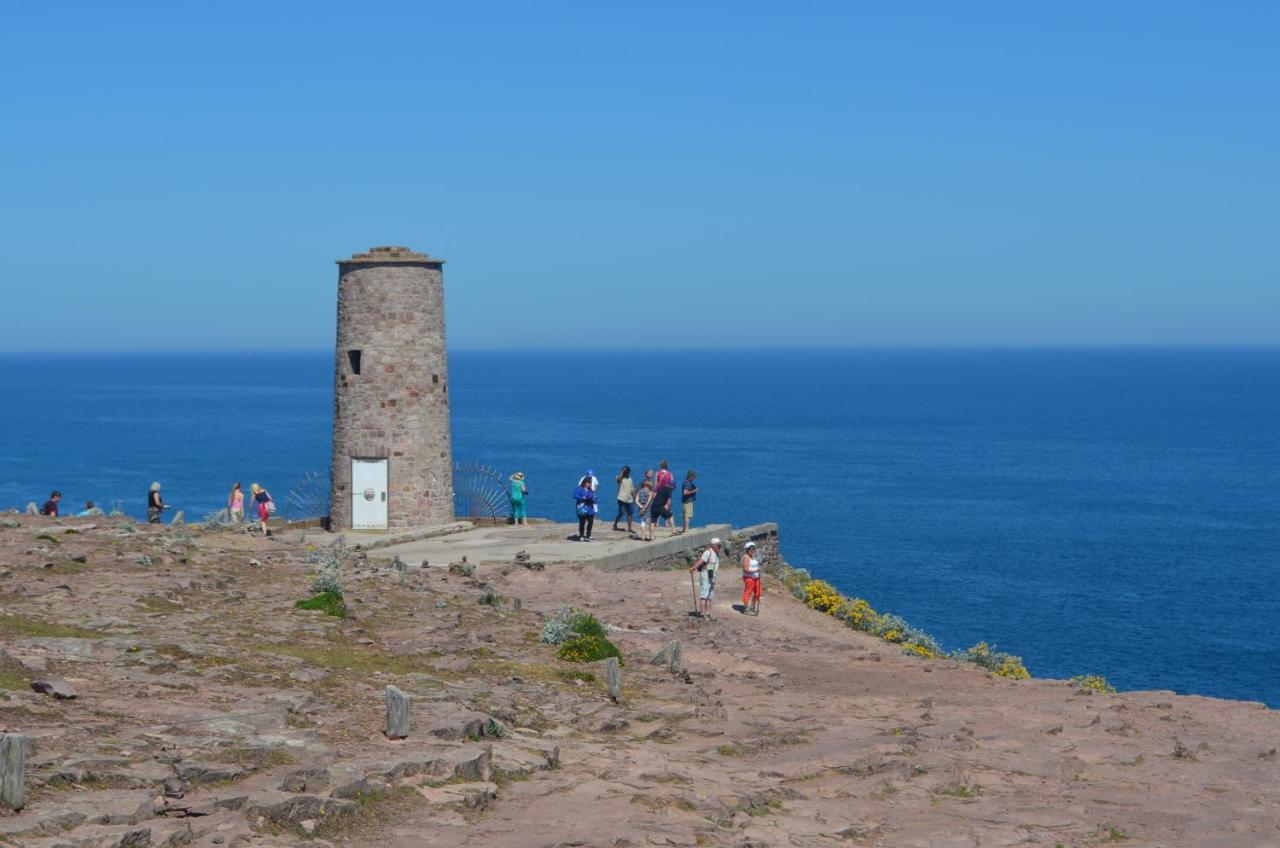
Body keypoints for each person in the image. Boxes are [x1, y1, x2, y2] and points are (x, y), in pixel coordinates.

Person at [689, 537, 722, 617]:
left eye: (720, 545)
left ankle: (707, 613)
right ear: (713, 545)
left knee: (710, 596)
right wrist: (694, 568)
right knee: (704, 595)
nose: (720, 547)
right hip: (705, 576)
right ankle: (703, 613)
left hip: (712, 577)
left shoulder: (716, 553)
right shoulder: (708, 552)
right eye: (718, 545)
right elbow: (701, 561)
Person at [652, 460, 677, 536]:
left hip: (658, 493)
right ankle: (671, 528)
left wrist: (654, 492)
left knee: (657, 509)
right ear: (667, 466)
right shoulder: (670, 474)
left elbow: (656, 484)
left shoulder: (657, 473)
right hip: (666, 493)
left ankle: (657, 524)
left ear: (660, 466)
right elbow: (672, 485)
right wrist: (670, 494)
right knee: (667, 510)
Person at [573, 475, 597, 541]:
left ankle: (588, 535)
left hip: (590, 508)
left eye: (590, 483)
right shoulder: (579, 488)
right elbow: (574, 496)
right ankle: (581, 536)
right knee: (582, 522)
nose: (590, 484)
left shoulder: (591, 490)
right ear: (585, 482)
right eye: (589, 483)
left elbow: (593, 496)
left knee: (591, 522)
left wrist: (594, 500)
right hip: (582, 508)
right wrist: (582, 497)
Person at [741, 540, 762, 615]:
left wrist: (757, 570)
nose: (752, 550)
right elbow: (745, 569)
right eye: (750, 549)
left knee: (758, 592)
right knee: (748, 592)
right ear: (747, 549)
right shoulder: (746, 557)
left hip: (756, 578)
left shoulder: (752, 556)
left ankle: (752, 606)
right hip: (749, 578)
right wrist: (755, 571)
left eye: (753, 549)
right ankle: (746, 609)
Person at [612, 466, 635, 533]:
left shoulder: (630, 479)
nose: (628, 473)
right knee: (621, 513)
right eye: (626, 472)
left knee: (630, 514)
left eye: (628, 472)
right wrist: (623, 471)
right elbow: (618, 479)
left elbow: (632, 489)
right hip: (621, 498)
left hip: (629, 499)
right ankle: (615, 524)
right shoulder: (620, 478)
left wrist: (635, 497)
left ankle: (630, 528)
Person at [680, 470, 698, 534]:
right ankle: (686, 529)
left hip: (684, 501)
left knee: (684, 516)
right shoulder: (687, 483)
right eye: (694, 477)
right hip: (688, 501)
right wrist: (693, 491)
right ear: (691, 476)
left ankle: (684, 529)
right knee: (687, 516)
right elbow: (685, 492)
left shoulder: (686, 481)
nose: (695, 478)